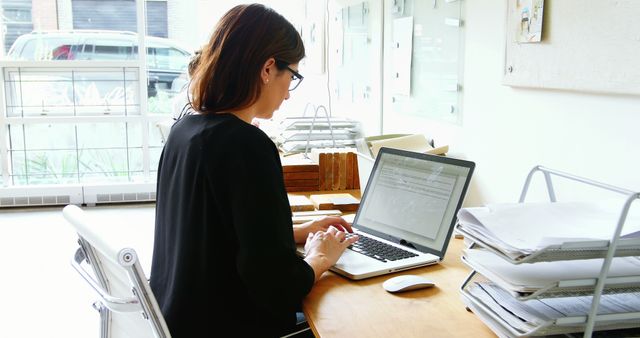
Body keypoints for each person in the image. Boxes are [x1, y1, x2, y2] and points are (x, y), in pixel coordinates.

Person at [150, 4, 358, 337]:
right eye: (292, 76)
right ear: (267, 68)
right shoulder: (247, 146)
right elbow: (278, 286)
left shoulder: (184, 131)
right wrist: (320, 256)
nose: (289, 92)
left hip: (181, 320)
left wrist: (297, 232)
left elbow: (216, 240)